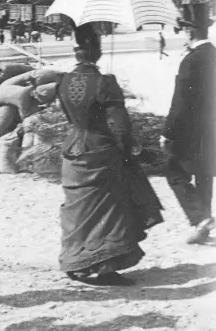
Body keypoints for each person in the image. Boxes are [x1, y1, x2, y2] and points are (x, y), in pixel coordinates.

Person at [58, 23, 163, 286]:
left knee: (79, 210)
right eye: (99, 46)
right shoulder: (105, 82)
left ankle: (76, 261)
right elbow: (120, 125)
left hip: (72, 151)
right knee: (110, 209)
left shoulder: (64, 81)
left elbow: (70, 117)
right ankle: (104, 269)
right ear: (93, 50)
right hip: (101, 152)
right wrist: (130, 149)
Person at [161, 3, 216, 244]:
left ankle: (200, 217)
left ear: (190, 32)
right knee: (205, 175)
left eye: (184, 29)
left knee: (174, 171)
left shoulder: (190, 61)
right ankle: (203, 224)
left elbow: (180, 101)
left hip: (190, 130)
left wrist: (167, 132)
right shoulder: (213, 53)